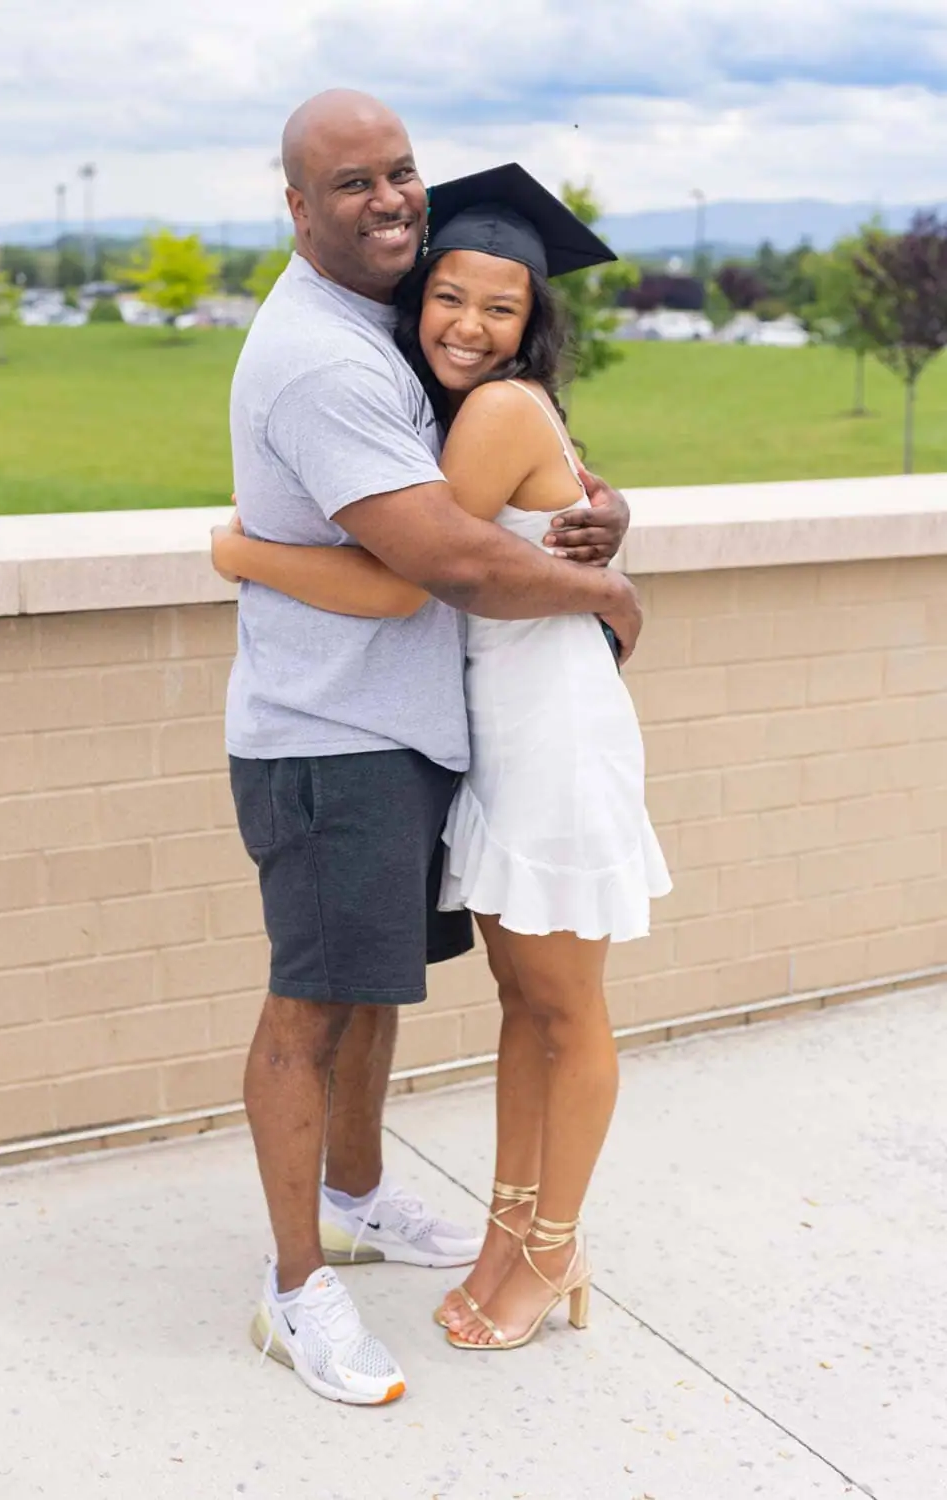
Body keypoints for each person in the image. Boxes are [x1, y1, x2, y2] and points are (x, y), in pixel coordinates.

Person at [215, 158, 670, 1363]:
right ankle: (509, 1240)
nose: (468, 324)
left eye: (501, 307)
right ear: (415, 301)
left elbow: (407, 576)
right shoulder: (447, 404)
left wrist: (238, 551)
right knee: (525, 1007)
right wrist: (605, 557)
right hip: (495, 735)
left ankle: (554, 1243)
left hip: (548, 735)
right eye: (448, 298)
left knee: (563, 1011)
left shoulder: (499, 409)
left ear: (534, 324)